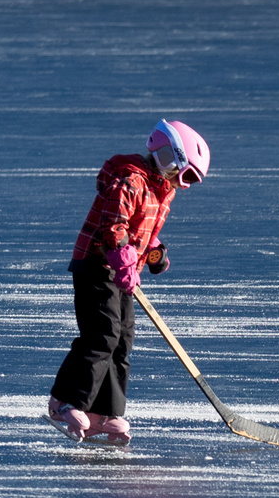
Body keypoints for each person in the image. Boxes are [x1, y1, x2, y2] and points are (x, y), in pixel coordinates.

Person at [46, 119, 209, 446]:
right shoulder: (130, 181)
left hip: (121, 269)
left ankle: (104, 413)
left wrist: (154, 253)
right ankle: (65, 402)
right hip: (95, 263)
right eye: (184, 173)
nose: (183, 183)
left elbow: (143, 231)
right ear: (168, 157)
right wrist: (122, 259)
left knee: (122, 340)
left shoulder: (162, 190)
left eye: (191, 179)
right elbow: (114, 227)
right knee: (101, 335)